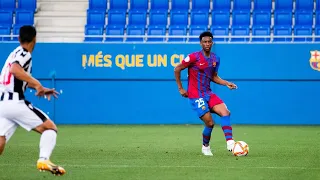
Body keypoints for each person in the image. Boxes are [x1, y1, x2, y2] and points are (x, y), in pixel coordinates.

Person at [0, 25, 66, 175]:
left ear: (19, 38)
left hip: (2, 104)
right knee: (50, 128)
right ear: (35, 39)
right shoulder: (24, 54)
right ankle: (43, 159)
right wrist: (37, 84)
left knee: (1, 139)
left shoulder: (13, 53)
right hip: (14, 102)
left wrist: (39, 87)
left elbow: (18, 77)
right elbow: (15, 70)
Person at [174, 31, 237, 156]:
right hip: (196, 96)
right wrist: (180, 88)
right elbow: (177, 69)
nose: (207, 44)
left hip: (208, 93)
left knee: (226, 112)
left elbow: (214, 76)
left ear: (212, 43)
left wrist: (226, 83)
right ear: (200, 43)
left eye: (209, 41)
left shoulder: (215, 59)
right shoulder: (193, 57)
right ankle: (205, 146)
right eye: (204, 42)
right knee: (210, 123)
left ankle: (230, 142)